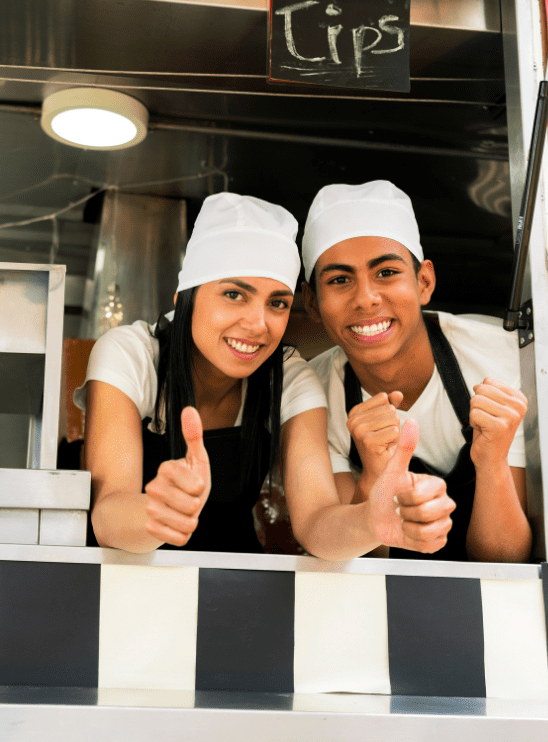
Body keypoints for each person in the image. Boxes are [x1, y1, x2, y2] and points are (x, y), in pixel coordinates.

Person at [76, 192, 454, 558]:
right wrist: (156, 515)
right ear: (184, 299)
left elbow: (317, 524)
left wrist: (370, 521)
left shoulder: (290, 378)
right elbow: (107, 514)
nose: (258, 324)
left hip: (238, 585)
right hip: (117, 585)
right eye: (234, 295)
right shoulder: (130, 354)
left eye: (277, 303)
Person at [297, 180, 532, 562]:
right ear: (311, 301)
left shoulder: (503, 361)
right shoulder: (312, 398)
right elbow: (356, 563)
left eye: (386, 273)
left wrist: (491, 463)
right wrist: (373, 474)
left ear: (424, 282)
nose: (366, 298)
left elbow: (504, 563)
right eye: (340, 280)